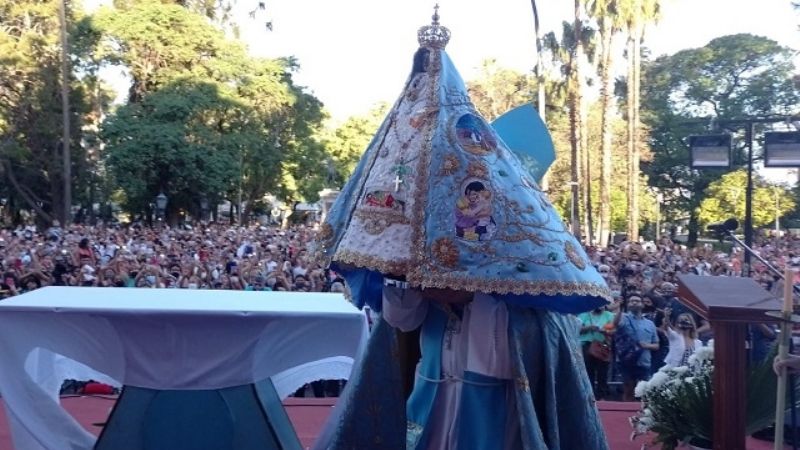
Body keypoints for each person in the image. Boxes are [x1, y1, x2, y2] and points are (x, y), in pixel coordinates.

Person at [312, 9, 610, 450]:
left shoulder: (525, 276)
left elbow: (518, 342)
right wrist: (406, 282)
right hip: (430, 389)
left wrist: (473, 291)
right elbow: (401, 321)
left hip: (493, 398)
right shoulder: (427, 252)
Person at [614, 295, 659, 402]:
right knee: (628, 389)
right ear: (628, 304)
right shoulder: (623, 317)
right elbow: (615, 324)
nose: (634, 303)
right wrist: (620, 308)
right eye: (631, 301)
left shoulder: (650, 323)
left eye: (637, 301)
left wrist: (646, 346)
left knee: (645, 391)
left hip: (644, 361)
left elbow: (656, 345)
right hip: (626, 360)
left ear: (642, 304)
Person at [578, 305, 615, 400]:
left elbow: (613, 330)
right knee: (587, 372)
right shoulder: (583, 315)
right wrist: (590, 327)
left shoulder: (609, 315)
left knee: (602, 373)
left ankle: (602, 396)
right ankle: (588, 397)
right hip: (586, 346)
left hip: (602, 346)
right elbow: (577, 329)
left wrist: (604, 330)